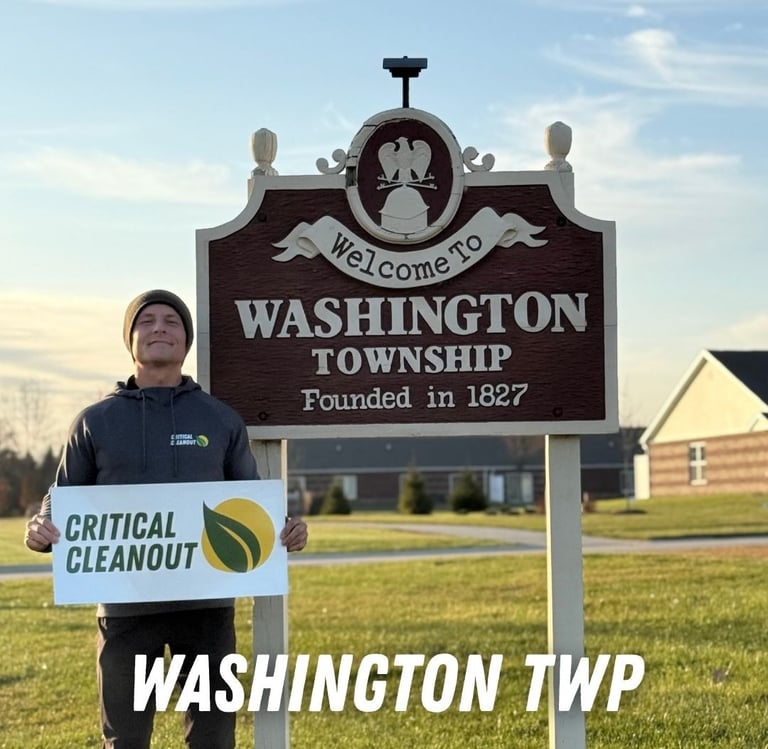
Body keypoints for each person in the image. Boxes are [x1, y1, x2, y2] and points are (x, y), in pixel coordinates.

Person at [24, 289, 307, 749]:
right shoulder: (95, 421)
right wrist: (41, 525)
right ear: (130, 340)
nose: (159, 328)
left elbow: (248, 500)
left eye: (172, 322)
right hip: (125, 611)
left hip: (207, 609)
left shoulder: (219, 419)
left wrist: (287, 526)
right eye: (146, 321)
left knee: (214, 738)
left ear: (186, 340)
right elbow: (63, 497)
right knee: (126, 740)